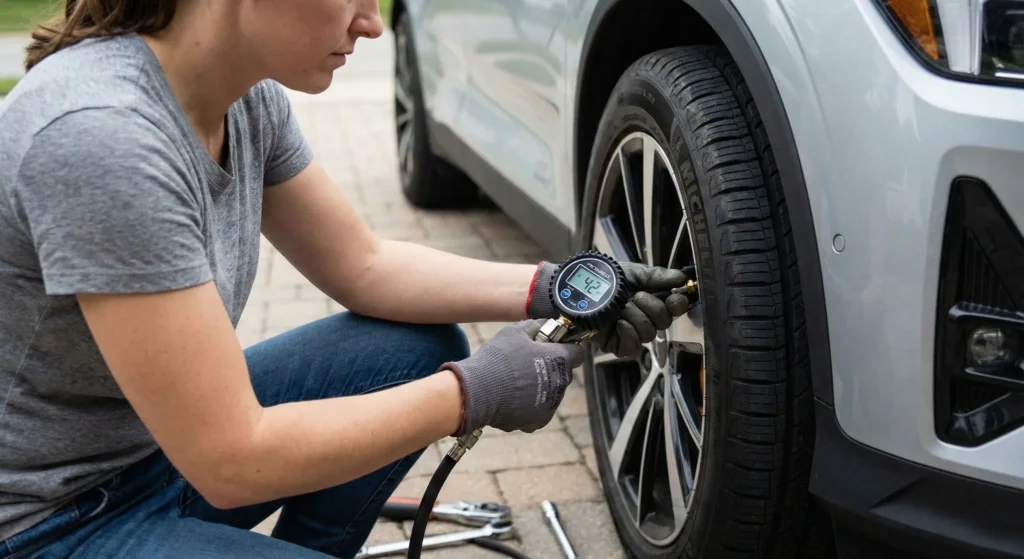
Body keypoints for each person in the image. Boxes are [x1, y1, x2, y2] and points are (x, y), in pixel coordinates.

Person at [0, 0, 693, 557]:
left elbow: (364, 266)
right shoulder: (101, 136)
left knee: (412, 349)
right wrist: (473, 393)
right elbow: (230, 458)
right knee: (434, 374)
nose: (371, 22)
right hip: (49, 520)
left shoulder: (243, 100)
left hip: (152, 450)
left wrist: (553, 284)